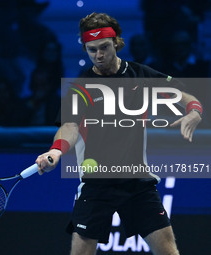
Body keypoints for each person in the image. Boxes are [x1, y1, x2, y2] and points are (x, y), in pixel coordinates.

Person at [35, 12, 203, 255]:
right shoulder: (81, 88)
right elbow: (70, 126)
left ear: (117, 42)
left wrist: (194, 112)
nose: (99, 55)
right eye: (91, 50)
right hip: (96, 185)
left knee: (168, 251)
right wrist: (55, 150)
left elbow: (187, 97)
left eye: (104, 47)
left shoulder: (141, 75)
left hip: (138, 183)